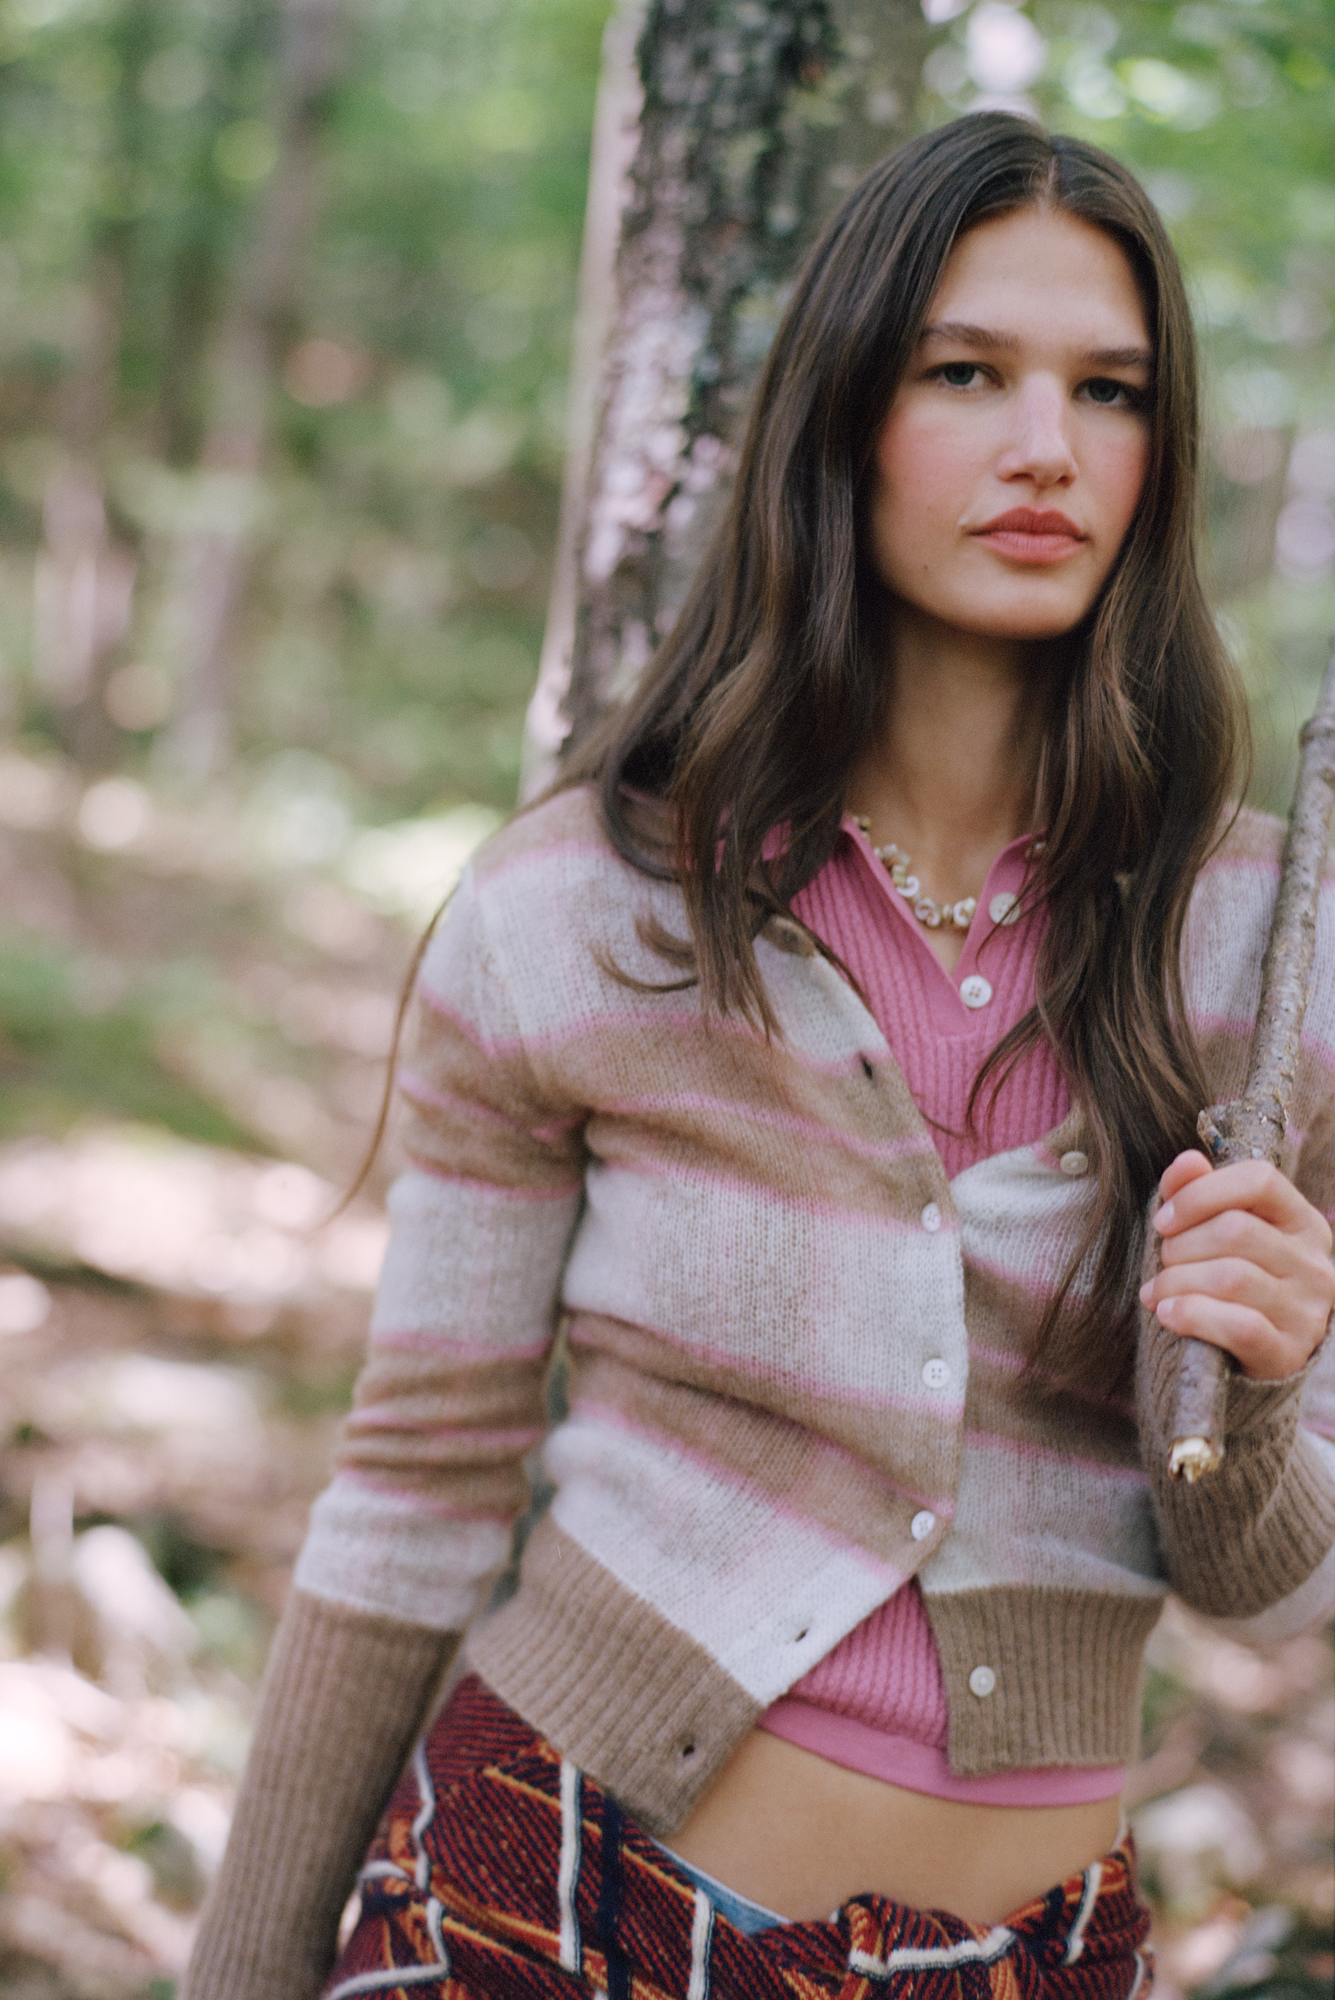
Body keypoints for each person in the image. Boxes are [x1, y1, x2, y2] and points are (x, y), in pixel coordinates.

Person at [183, 113, 1335, 2000]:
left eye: (1107, 391)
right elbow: (415, 1490)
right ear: (842, 418)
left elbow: (1275, 1596)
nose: (1044, 448)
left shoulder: (1253, 954)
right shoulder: (582, 913)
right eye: (963, 373)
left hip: (1024, 1964)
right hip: (538, 1902)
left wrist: (1261, 1379)